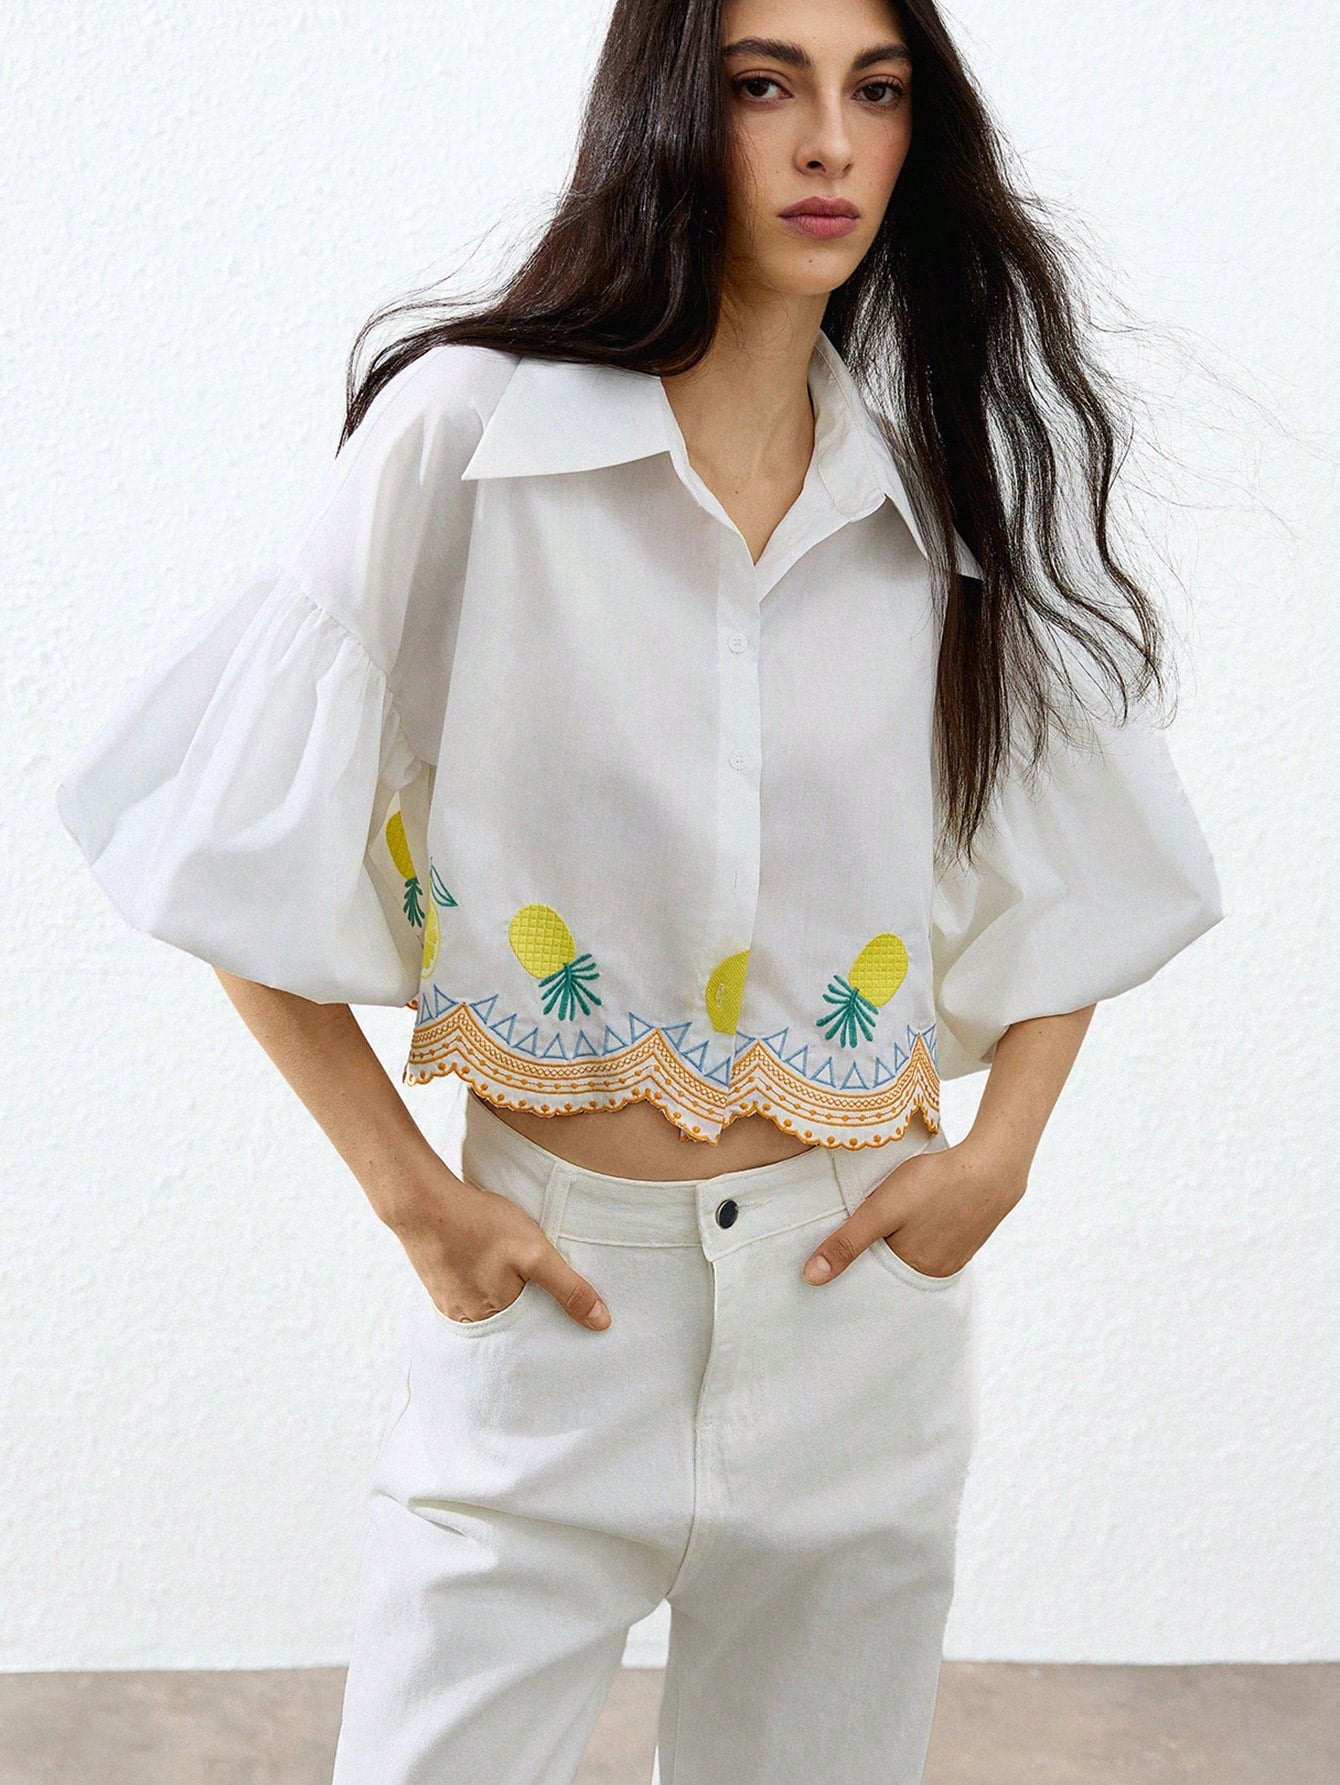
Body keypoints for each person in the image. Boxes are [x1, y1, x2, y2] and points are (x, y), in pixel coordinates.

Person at [54, 1, 1225, 1780]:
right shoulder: (466, 437)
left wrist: (1002, 1152)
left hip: (855, 1311)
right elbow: (219, 831)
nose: (829, 142)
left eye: (877, 91)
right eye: (766, 86)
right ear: (670, 106)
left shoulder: (934, 489)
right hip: (553, 1306)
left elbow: (1095, 847)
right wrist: (415, 1200)